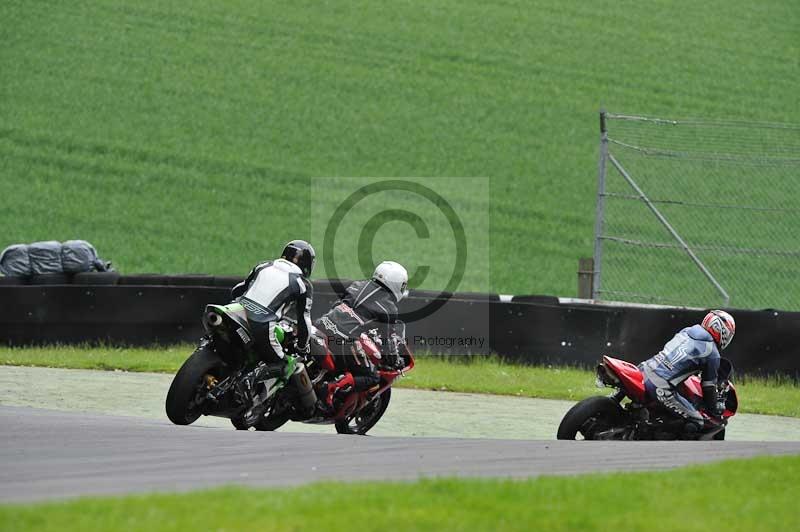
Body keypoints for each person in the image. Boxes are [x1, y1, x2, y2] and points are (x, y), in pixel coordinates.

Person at [314, 261, 409, 411]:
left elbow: (338, 306)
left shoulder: (357, 285)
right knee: (372, 377)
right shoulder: (389, 308)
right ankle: (331, 388)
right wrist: (394, 360)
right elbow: (387, 342)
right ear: (397, 284)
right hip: (344, 341)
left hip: (321, 325)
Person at [639, 310, 736, 434]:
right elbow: (709, 386)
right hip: (660, 385)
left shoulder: (686, 331)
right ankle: (651, 436)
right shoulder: (712, 353)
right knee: (697, 421)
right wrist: (714, 409)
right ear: (722, 331)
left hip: (644, 368)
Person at [231, 240, 315, 364]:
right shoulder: (302, 284)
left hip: (236, 313)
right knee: (285, 365)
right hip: (262, 325)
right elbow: (303, 319)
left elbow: (237, 290)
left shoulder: (263, 265)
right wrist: (302, 347)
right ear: (307, 263)